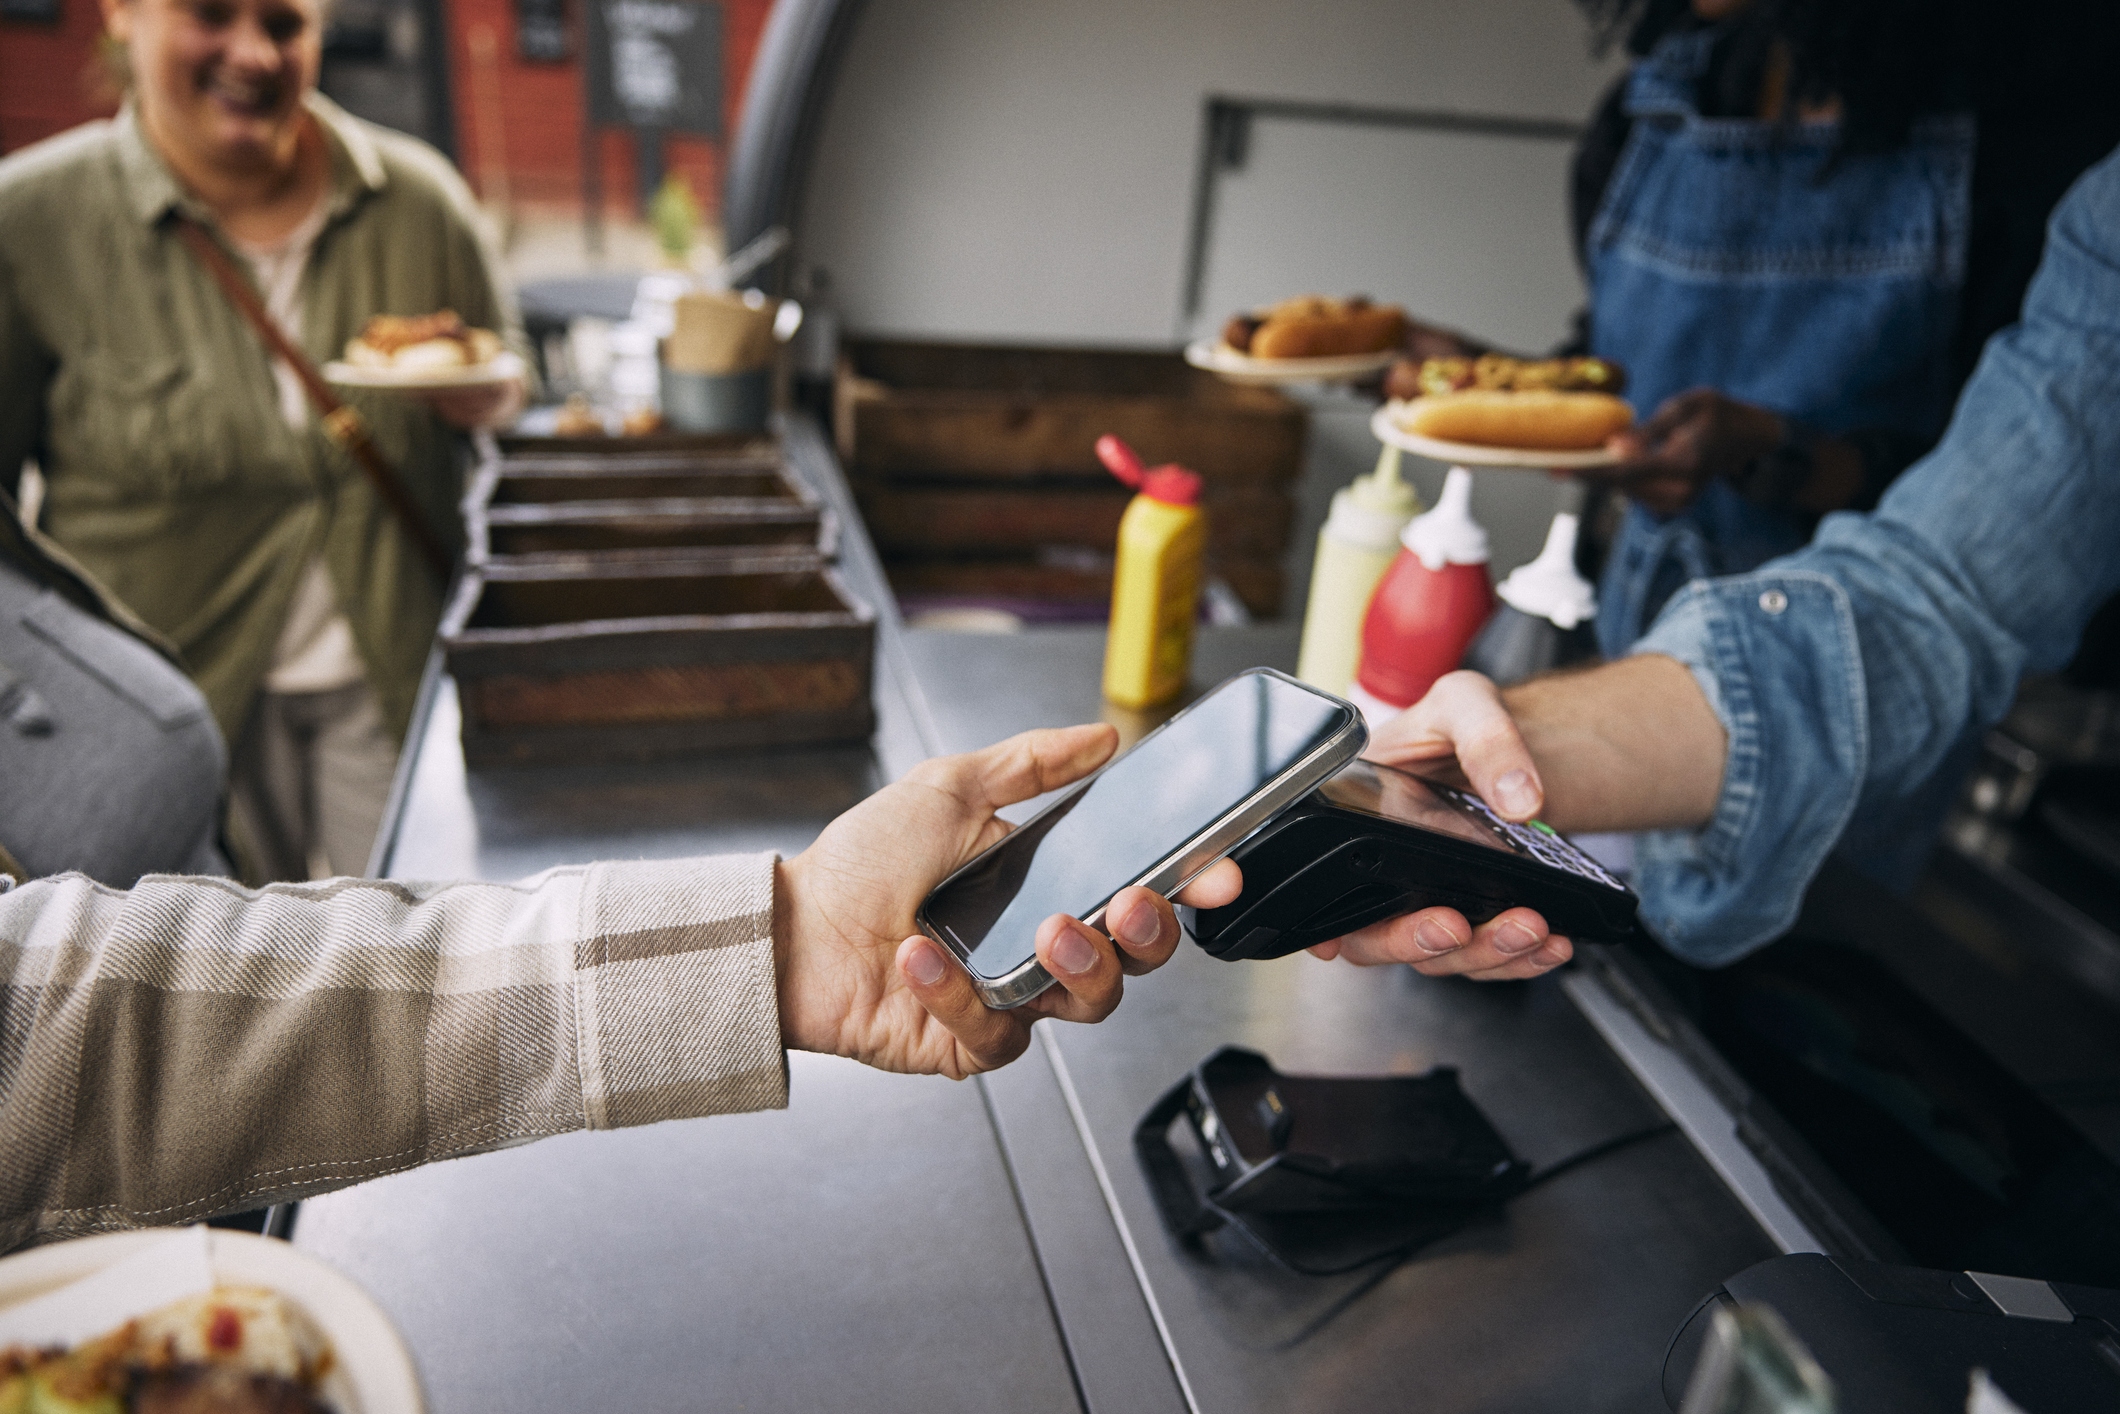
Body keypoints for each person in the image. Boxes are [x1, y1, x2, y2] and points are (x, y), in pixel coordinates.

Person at [1324, 142, 2120, 981]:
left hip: (1881, 758)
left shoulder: (2013, 130)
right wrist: (1491, 755)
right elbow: (1936, 591)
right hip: (1680, 661)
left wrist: (1784, 457)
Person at [1391, 0, 2120, 657]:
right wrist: (1469, 374)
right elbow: (1612, 368)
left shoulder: (2027, 127)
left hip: (1854, 661)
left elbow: (2028, 481)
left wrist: (1780, 455)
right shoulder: (1660, 101)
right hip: (1622, 622)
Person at [0, 0, 524, 885]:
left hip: (391, 690)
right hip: (172, 714)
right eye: (212, 14)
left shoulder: (419, 204)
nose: (252, 52)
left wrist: (502, 404)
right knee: (209, 1008)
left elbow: (514, 431)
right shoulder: (31, 223)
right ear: (122, 13)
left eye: (285, 24)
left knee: (420, 977)